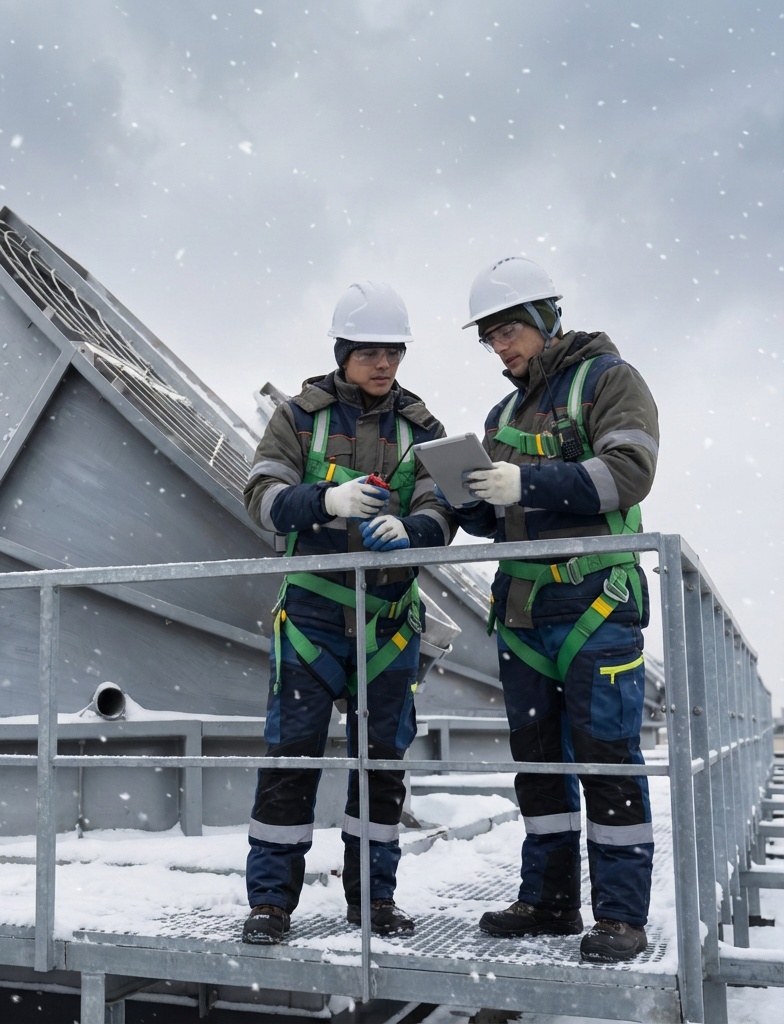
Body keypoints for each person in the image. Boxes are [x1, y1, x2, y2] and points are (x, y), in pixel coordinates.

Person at [441, 256, 660, 963]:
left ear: (542, 321)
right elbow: (497, 517)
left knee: (607, 762)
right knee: (538, 766)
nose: (500, 348)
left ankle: (622, 917)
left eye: (508, 332)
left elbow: (628, 473)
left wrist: (525, 482)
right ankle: (550, 902)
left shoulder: (609, 380)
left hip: (595, 602)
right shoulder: (500, 414)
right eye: (490, 338)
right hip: (526, 612)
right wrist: (469, 499)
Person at [240, 281, 456, 945]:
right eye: (369, 351)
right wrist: (325, 501)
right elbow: (262, 495)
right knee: (289, 760)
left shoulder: (424, 428)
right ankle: (271, 904)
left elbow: (448, 507)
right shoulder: (298, 420)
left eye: (392, 350)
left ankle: (373, 902)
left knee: (382, 769)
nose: (384, 362)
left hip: (389, 624)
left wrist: (414, 529)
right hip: (311, 619)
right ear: (342, 352)